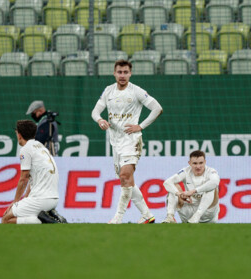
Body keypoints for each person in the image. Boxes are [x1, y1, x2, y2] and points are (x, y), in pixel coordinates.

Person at [91, 59, 163, 224]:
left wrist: (141, 126)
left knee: (124, 175)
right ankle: (147, 215)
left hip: (131, 140)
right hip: (115, 142)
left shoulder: (136, 91)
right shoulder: (108, 91)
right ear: (114, 73)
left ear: (130, 73)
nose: (122, 75)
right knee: (126, 179)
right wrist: (100, 120)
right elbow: (95, 111)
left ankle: (118, 217)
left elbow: (157, 108)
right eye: (119, 72)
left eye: (125, 72)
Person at [2, 120, 63, 224]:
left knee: (6, 219)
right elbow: (32, 179)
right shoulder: (40, 146)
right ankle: (48, 220)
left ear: (19, 135)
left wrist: (15, 202)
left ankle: (47, 222)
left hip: (41, 199)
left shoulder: (26, 149)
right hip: (53, 198)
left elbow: (24, 179)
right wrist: (25, 199)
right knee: (29, 218)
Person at [162, 150, 220, 224]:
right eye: (195, 163)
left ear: (205, 162)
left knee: (212, 187)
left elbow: (215, 182)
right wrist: (179, 194)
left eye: (201, 163)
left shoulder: (211, 171)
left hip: (207, 213)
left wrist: (193, 191)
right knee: (174, 186)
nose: (198, 166)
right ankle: (170, 217)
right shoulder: (185, 171)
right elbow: (167, 183)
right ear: (189, 163)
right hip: (189, 209)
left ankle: (197, 216)